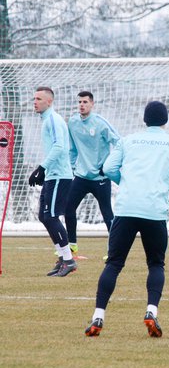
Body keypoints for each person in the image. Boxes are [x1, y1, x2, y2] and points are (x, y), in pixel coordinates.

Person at [85, 101, 169, 338]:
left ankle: (98, 316)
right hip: (154, 212)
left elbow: (108, 167)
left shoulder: (128, 140)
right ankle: (151, 312)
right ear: (165, 121)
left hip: (126, 209)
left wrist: (124, 183)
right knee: (156, 264)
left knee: (113, 264)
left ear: (145, 120)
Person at [64, 91, 120, 259]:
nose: (82, 104)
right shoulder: (72, 122)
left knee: (107, 213)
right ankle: (71, 249)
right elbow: (72, 148)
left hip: (100, 178)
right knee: (68, 208)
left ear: (92, 104)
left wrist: (109, 165)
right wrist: (71, 168)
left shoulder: (101, 123)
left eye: (85, 102)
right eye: (80, 101)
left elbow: (119, 143)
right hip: (81, 176)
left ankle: (114, 251)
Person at [30, 86, 77, 277]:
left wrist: (41, 167)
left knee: (51, 216)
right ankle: (62, 258)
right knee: (44, 216)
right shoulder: (46, 121)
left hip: (60, 175)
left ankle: (68, 260)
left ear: (49, 101)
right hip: (52, 175)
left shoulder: (54, 119)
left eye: (39, 99)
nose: (35, 102)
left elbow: (60, 147)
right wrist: (44, 171)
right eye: (34, 98)